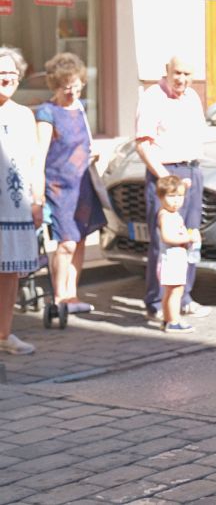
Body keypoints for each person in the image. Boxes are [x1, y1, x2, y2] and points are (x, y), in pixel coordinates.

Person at [135, 57, 211, 321]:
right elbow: (143, 145)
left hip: (192, 171)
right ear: (166, 72)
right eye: (177, 73)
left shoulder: (191, 98)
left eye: (187, 74)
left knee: (190, 236)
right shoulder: (153, 97)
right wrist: (168, 180)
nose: (182, 79)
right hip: (167, 174)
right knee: (163, 241)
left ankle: (184, 296)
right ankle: (156, 301)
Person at [36, 53, 106, 314]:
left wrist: (94, 152)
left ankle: (72, 295)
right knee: (65, 242)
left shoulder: (79, 108)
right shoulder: (47, 112)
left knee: (79, 240)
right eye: (68, 88)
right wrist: (38, 189)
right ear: (56, 86)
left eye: (77, 86)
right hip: (58, 186)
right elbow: (40, 154)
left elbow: (83, 141)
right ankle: (59, 297)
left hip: (82, 184)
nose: (73, 93)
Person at [0, 46, 43, 355]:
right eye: (1, 73)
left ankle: (4, 333)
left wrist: (37, 199)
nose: (7, 79)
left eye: (12, 74)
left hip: (15, 205)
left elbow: (33, 162)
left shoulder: (24, 115)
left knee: (9, 271)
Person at [154, 175, 200, 333]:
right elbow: (167, 237)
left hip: (176, 258)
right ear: (161, 196)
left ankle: (167, 320)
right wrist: (188, 237)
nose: (176, 201)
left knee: (172, 291)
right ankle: (174, 321)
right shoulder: (165, 215)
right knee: (175, 291)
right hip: (171, 259)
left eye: (180, 196)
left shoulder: (172, 214)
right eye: (171, 196)